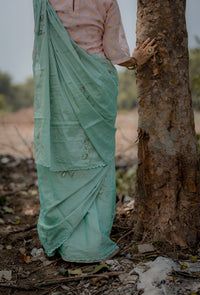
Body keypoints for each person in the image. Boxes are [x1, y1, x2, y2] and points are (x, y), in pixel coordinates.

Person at [32, 0, 157, 263]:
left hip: (58, 90)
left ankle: (62, 234)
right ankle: (91, 242)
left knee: (62, 154)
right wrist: (136, 60)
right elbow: (115, 52)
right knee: (97, 160)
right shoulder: (106, 1)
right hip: (97, 86)